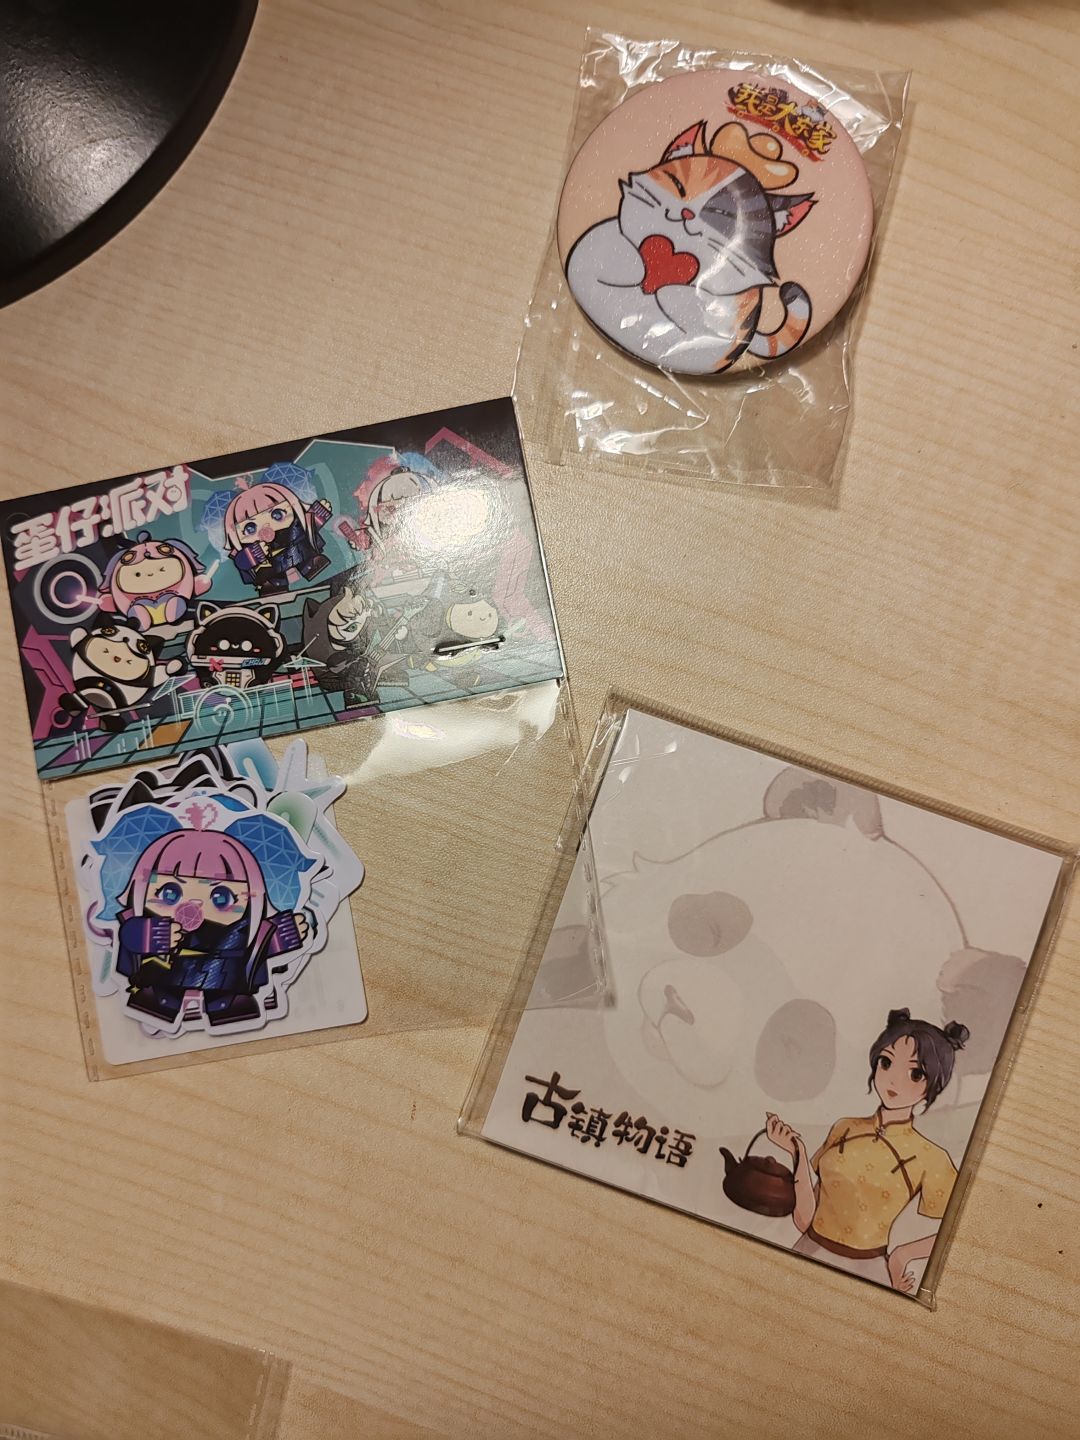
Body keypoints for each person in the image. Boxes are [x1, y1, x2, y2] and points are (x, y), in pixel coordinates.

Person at [764, 1008, 969, 1292]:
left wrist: (902, 1255)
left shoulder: (930, 1157)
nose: (894, 1080)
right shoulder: (845, 1128)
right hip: (807, 1252)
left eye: (915, 1073)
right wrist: (797, 1152)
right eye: (886, 1063)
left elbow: (962, 1228)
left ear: (933, 1084)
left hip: (868, 1273)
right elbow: (804, 1220)